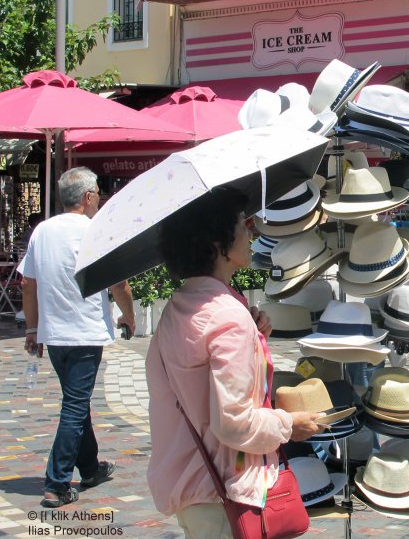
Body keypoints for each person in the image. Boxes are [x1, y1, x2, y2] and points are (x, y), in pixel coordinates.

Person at [146, 187, 323, 539]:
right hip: (224, 492)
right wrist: (289, 425)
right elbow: (235, 424)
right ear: (218, 245)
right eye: (242, 226)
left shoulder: (180, 306)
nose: (251, 231)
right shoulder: (227, 316)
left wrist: (251, 338)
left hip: (192, 483)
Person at [20, 167, 136, 509]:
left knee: (76, 401)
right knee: (73, 405)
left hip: (55, 334)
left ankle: (89, 467)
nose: (99, 197)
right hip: (83, 332)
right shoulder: (94, 230)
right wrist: (128, 316)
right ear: (87, 197)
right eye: (97, 191)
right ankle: (56, 484)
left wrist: (31, 328)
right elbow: (119, 283)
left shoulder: (42, 231)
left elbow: (28, 284)